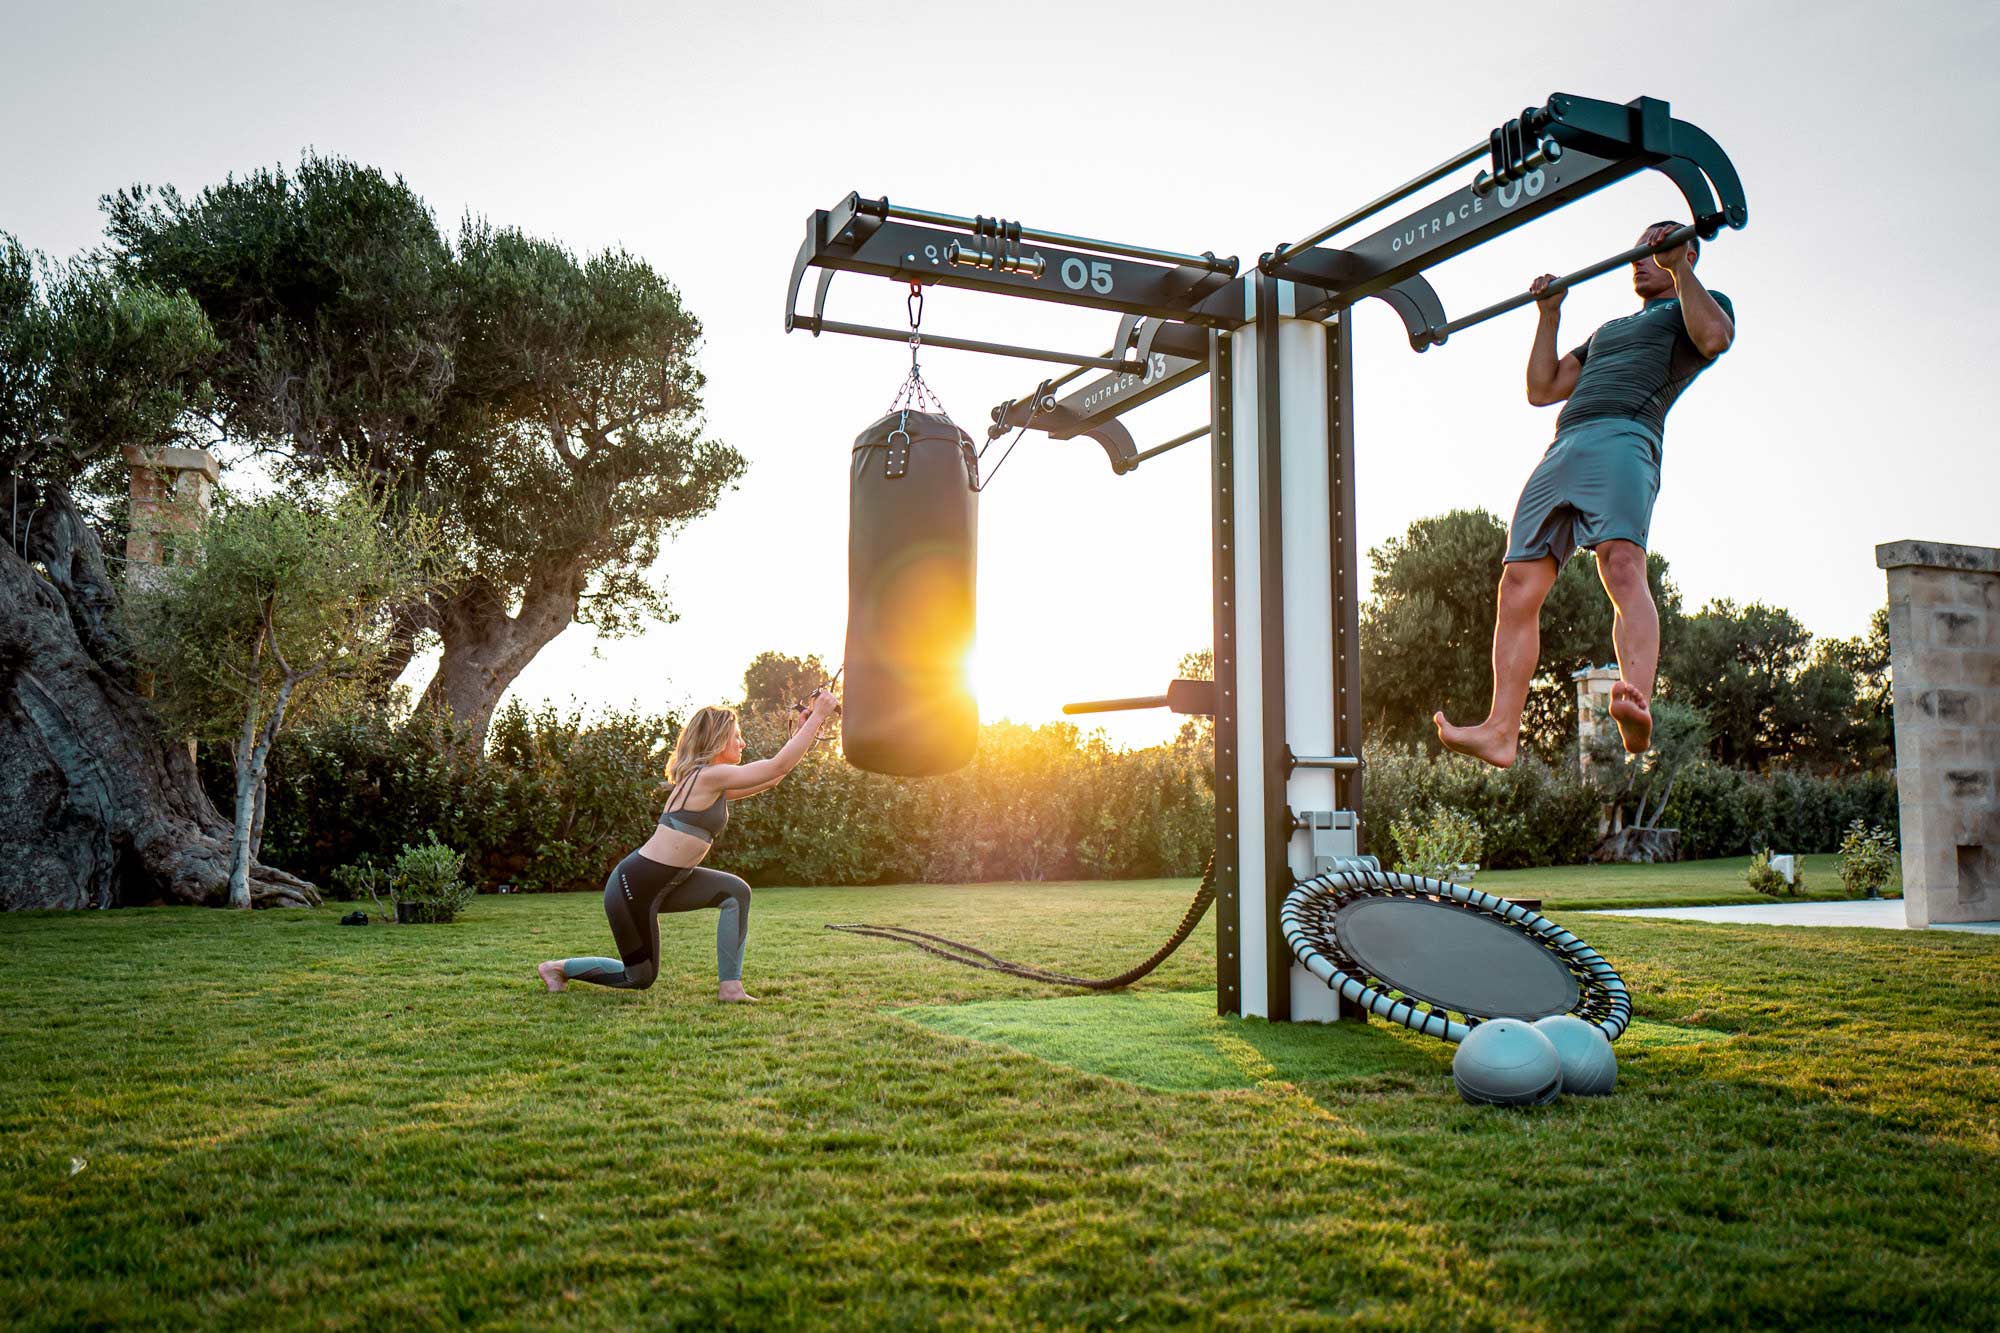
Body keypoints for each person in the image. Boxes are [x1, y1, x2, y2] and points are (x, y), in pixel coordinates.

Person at [1435, 220, 1735, 768]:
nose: (1641, 257)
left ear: (1686, 251)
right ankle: (1502, 731)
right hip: (1564, 445)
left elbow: (1715, 339)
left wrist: (1680, 268)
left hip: (1626, 437)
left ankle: (1637, 706)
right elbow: (1542, 387)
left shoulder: (1701, 306)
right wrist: (1549, 314)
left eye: (1657, 246)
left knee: (1621, 566)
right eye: (1638, 249)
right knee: (1516, 584)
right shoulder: (1607, 331)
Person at [537, 687, 840, 1001]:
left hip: (670, 882)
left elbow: (773, 777)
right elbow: (776, 766)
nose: (743, 743)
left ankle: (731, 989)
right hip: (635, 887)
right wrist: (818, 715)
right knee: (639, 977)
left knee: (735, 892)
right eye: (737, 736)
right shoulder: (706, 777)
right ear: (718, 738)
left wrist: (811, 725)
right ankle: (558, 968)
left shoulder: (711, 781)